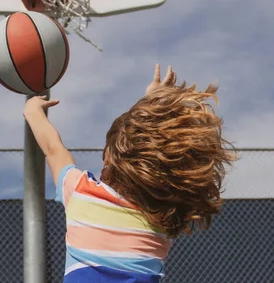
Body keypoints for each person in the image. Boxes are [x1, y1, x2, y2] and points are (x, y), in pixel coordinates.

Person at [23, 64, 236, 282]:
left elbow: (53, 148)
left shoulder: (81, 194)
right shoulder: (161, 223)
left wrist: (32, 112)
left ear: (110, 155)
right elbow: (147, 145)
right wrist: (153, 103)